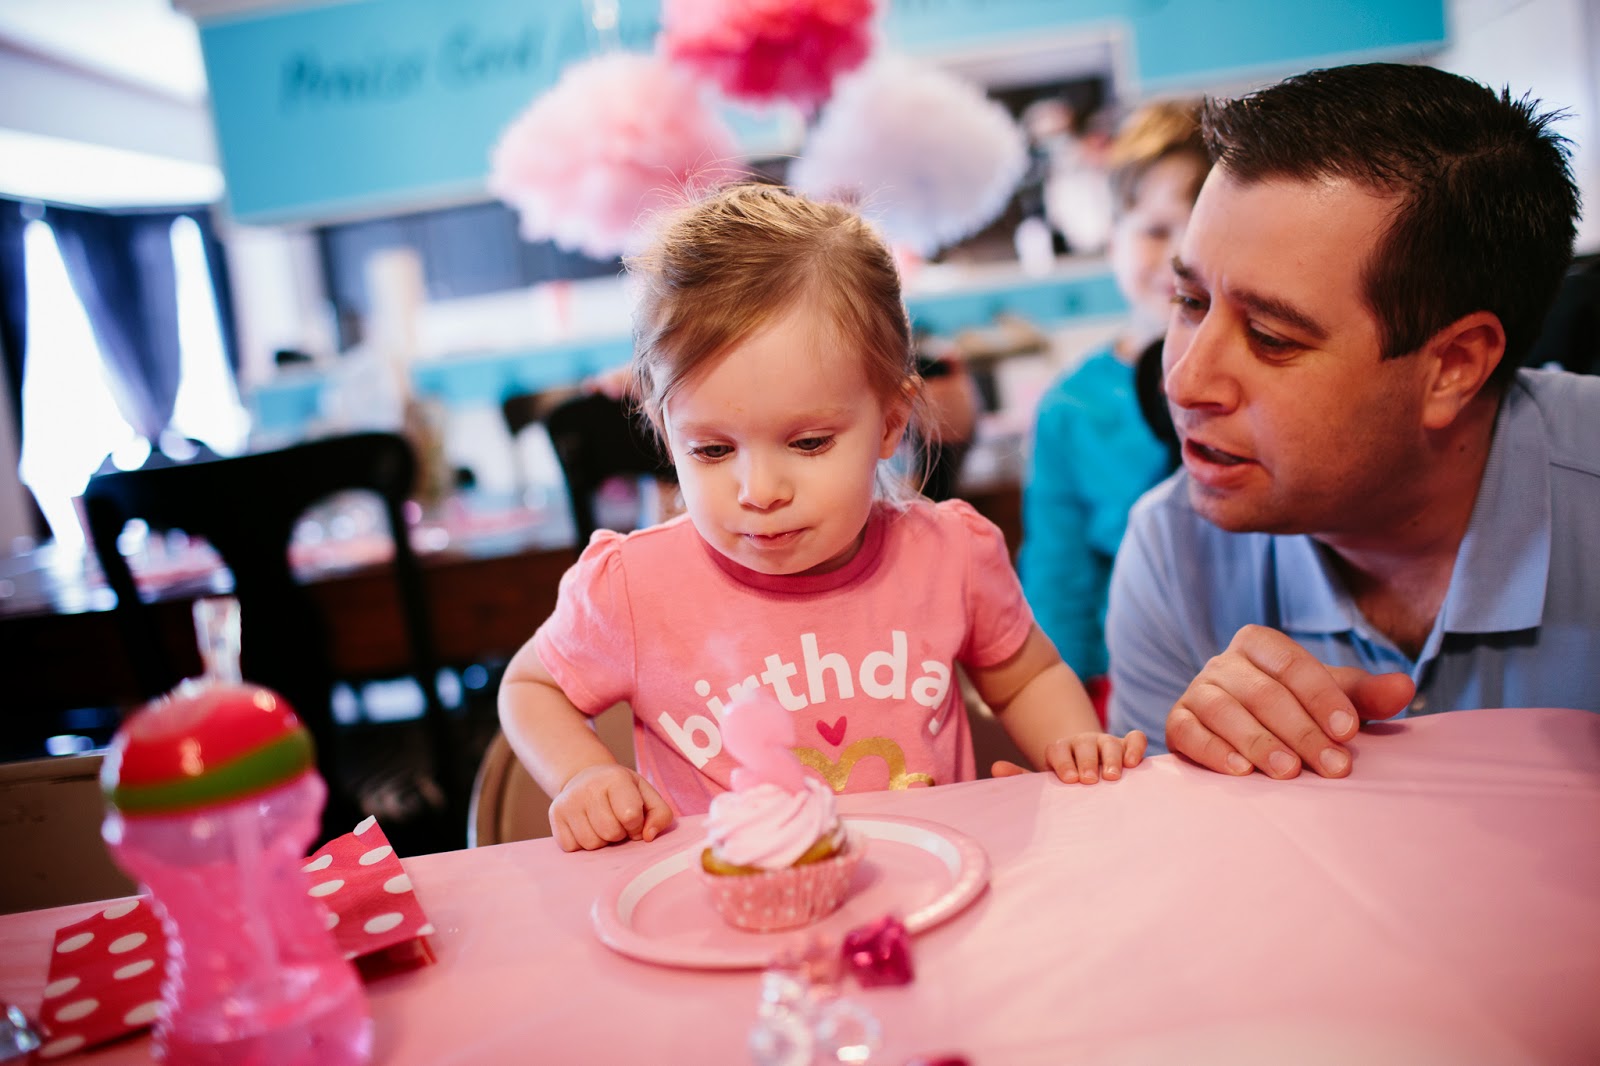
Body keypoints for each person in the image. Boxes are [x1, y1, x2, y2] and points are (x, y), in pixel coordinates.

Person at [499, 184, 1147, 851]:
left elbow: (1028, 676)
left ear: (890, 422)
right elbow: (530, 686)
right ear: (667, 434)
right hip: (728, 903)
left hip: (932, 891)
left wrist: (1074, 744)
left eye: (808, 443)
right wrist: (582, 775)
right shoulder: (634, 588)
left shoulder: (948, 553)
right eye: (713, 450)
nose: (760, 491)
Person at [1104, 62, 1598, 778]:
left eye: (1271, 336)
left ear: (1454, 366)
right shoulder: (1172, 552)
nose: (1183, 381)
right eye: (1190, 303)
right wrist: (1200, 788)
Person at [1018, 100, 1204, 703]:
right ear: (1113, 239)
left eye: (1205, 229)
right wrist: (1063, 709)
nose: (1181, 256)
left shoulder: (1273, 380)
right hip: (1130, 684)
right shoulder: (1070, 409)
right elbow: (1059, 576)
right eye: (1155, 230)